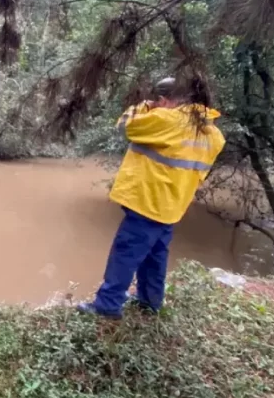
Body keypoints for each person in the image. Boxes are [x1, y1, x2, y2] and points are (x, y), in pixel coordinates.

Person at [77, 77, 226, 319]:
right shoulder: (213, 134)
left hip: (147, 202)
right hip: (172, 207)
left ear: (164, 100)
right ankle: (150, 301)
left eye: (157, 101)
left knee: (125, 253)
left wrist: (146, 106)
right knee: (155, 256)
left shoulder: (166, 119)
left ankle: (107, 306)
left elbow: (126, 126)